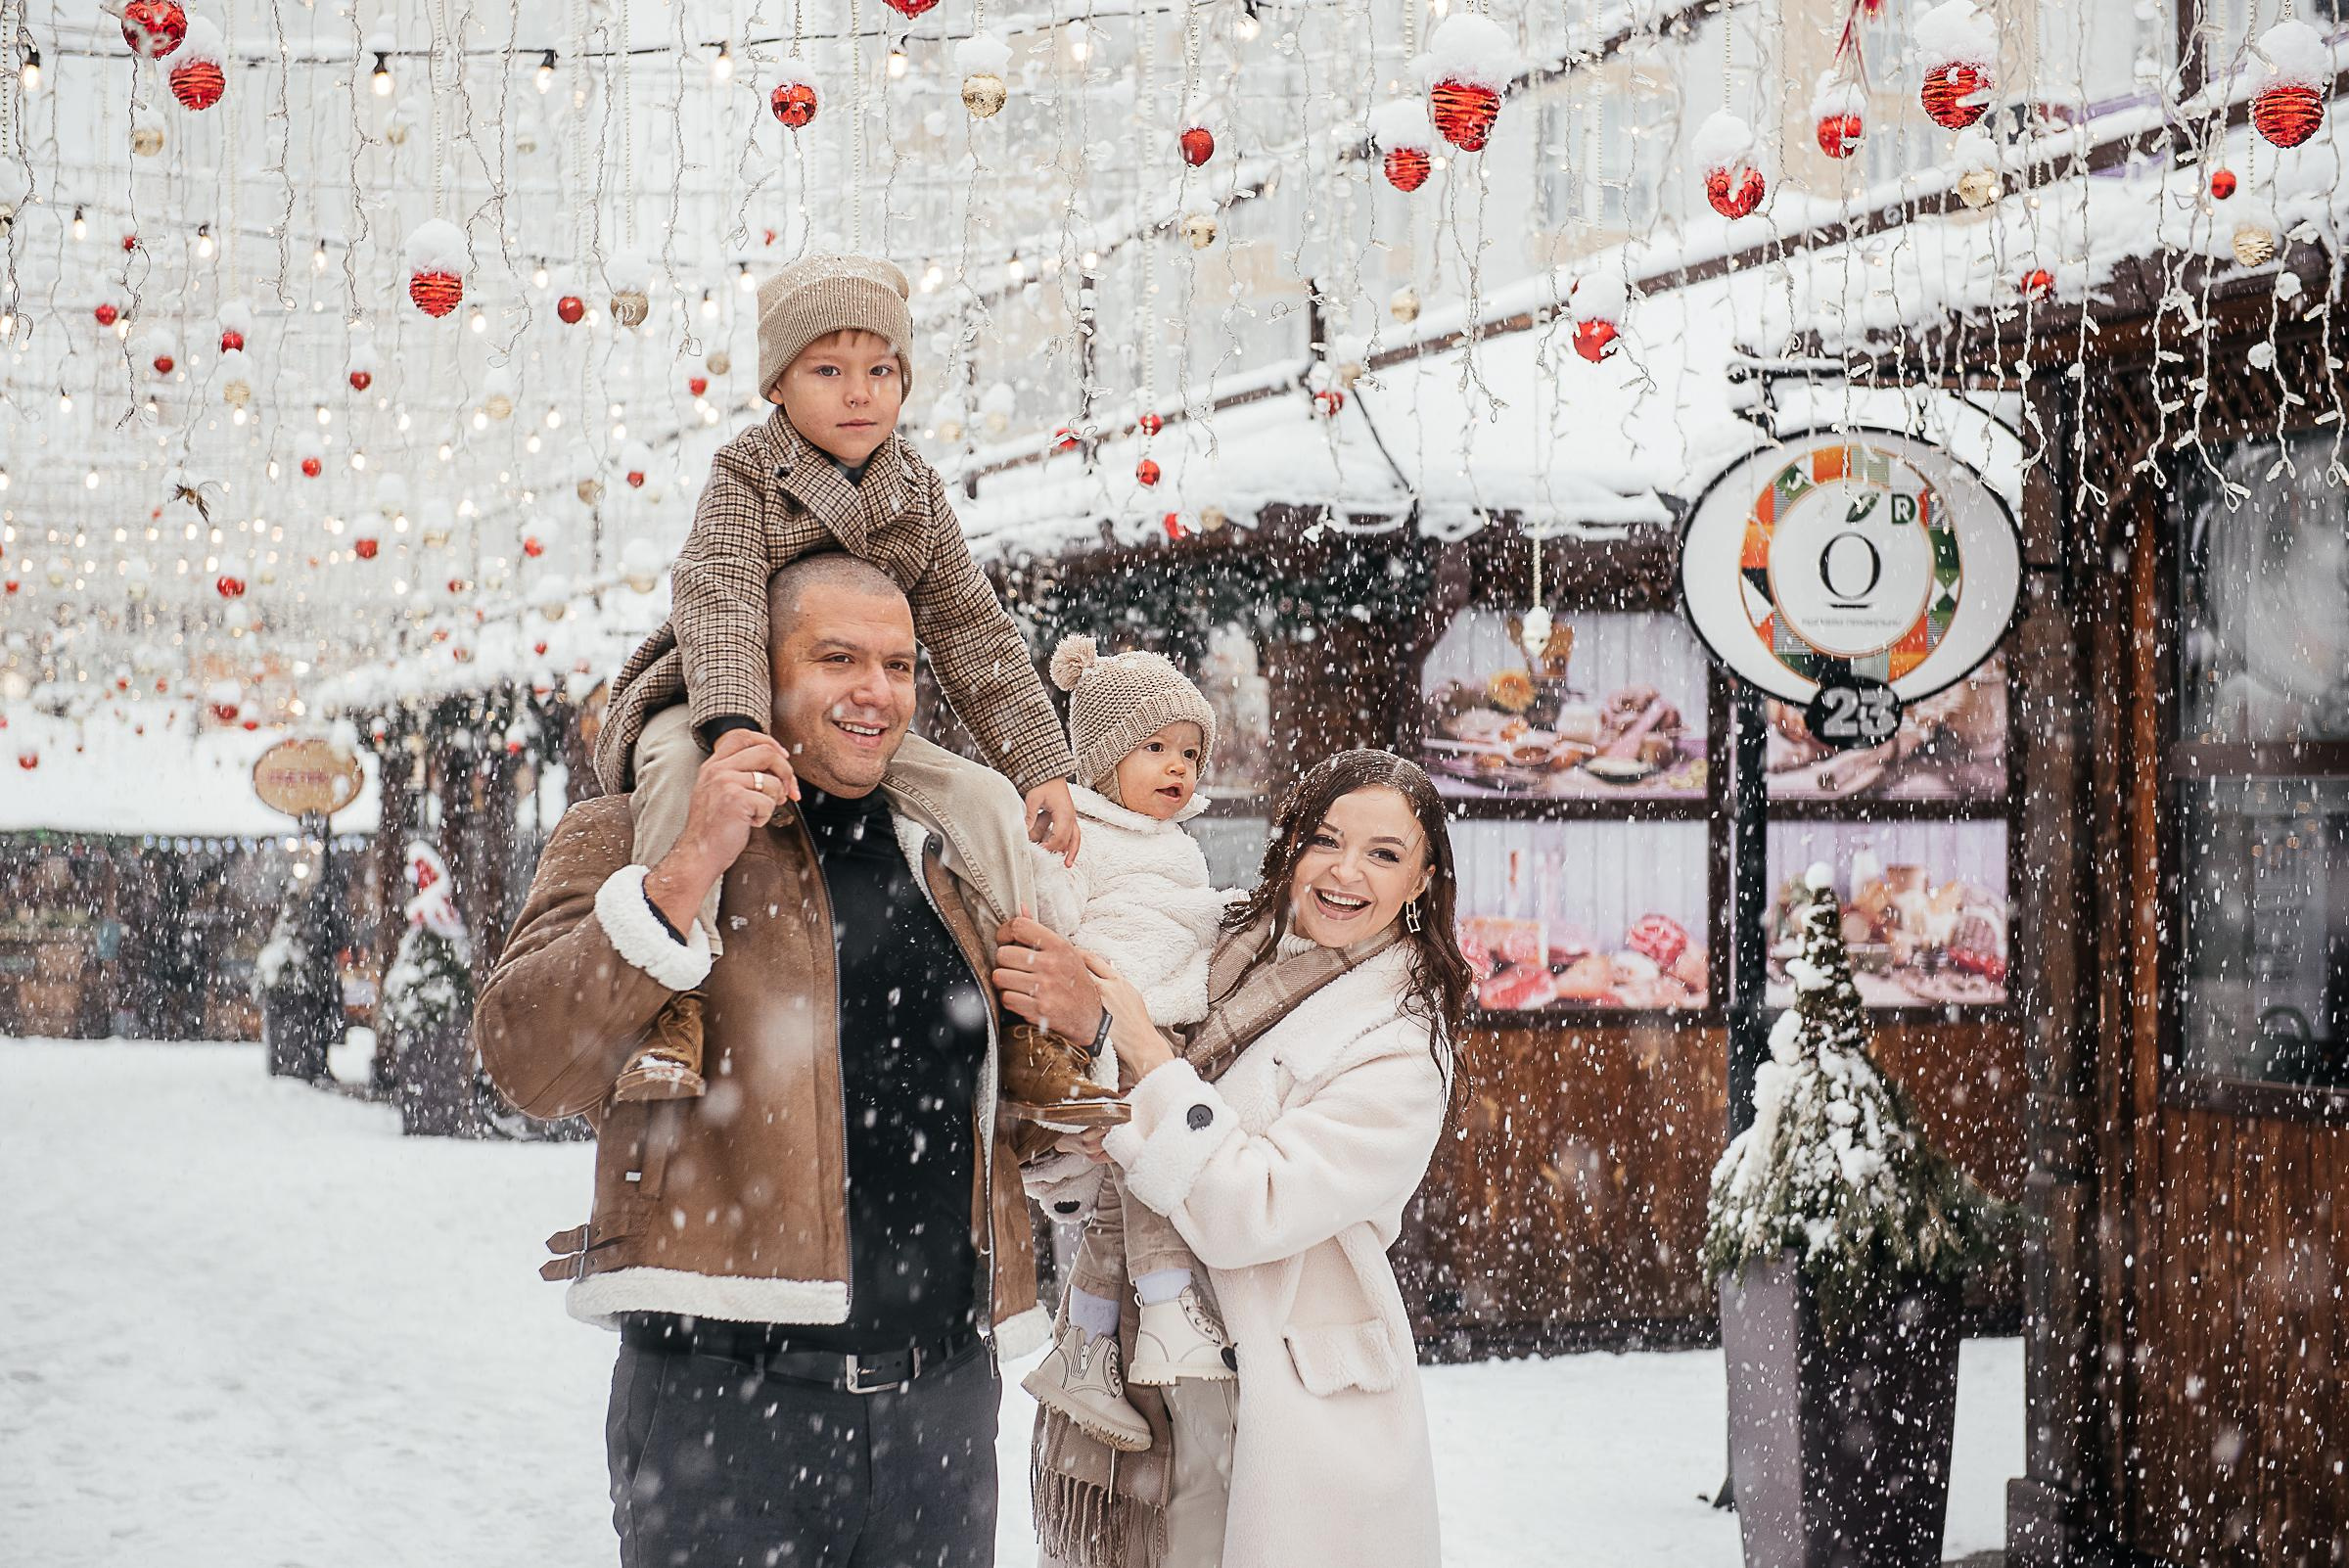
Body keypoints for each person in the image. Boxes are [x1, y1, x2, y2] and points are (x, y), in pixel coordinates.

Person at [476, 554, 1088, 1568]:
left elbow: (997, 1122)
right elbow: (525, 1063)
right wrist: (682, 873)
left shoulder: (950, 857)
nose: (875, 692)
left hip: (940, 1414)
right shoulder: (630, 832)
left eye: (898, 665)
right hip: (725, 1417)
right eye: (837, 657)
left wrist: (1085, 1025)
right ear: (754, 674)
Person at [592, 251, 1084, 1105]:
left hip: (852, 723)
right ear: (777, 386)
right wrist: (737, 726)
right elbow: (722, 596)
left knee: (986, 806)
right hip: (716, 696)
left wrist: (1038, 762)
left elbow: (971, 627)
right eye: (829, 370)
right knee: (679, 776)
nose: (861, 393)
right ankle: (674, 1001)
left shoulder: (915, 489)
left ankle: (1028, 1028)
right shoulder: (749, 473)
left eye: (881, 370)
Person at [995, 750, 1475, 1568]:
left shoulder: (1399, 1047)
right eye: (1325, 839)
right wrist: (1069, 1141)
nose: (1345, 872)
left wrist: (1133, 1044)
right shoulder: (1211, 946)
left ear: (1424, 878)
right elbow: (1118, 1142)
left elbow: (1247, 1210)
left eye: (1385, 853)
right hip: (1129, 1355)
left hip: (1273, 1397)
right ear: (1291, 844)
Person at [1018, 635, 1244, 1452]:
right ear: (1105, 754)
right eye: (1153, 748)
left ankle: (1083, 1344)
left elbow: (1182, 920)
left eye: (1189, 751)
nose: (1177, 767)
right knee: (1152, 1174)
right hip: (1112, 1025)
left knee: (1123, 1193)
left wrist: (1227, 912)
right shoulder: (1085, 833)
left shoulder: (1178, 844)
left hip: (1162, 1027)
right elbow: (1051, 906)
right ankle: (1167, 1304)